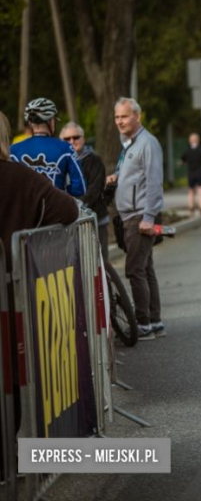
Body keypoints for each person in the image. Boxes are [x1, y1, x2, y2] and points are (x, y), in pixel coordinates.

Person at [0, 111, 79, 461]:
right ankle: (7, 458)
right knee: (8, 379)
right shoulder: (20, 178)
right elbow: (69, 210)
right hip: (8, 296)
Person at [106, 97, 165, 340]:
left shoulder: (147, 143)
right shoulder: (129, 143)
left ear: (137, 117)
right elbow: (135, 175)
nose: (120, 121)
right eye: (117, 117)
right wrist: (117, 177)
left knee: (134, 270)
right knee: (145, 268)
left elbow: (154, 182)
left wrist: (149, 217)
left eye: (125, 116)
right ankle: (155, 321)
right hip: (131, 214)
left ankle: (143, 323)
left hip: (140, 216)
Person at [10, 98, 86, 197]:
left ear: (30, 123)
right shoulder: (66, 149)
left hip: (23, 210)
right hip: (55, 208)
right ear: (50, 121)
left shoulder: (13, 150)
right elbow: (80, 188)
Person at [60, 122, 110, 262]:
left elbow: (94, 190)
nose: (72, 141)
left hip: (95, 220)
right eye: (67, 139)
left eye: (76, 137)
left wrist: (76, 208)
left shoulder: (94, 160)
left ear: (83, 138)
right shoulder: (60, 162)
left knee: (100, 264)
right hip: (70, 224)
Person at [181, 132, 201, 216]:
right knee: (200, 191)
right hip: (200, 173)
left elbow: (182, 160)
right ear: (198, 140)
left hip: (191, 173)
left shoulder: (187, 150)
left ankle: (191, 209)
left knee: (191, 192)